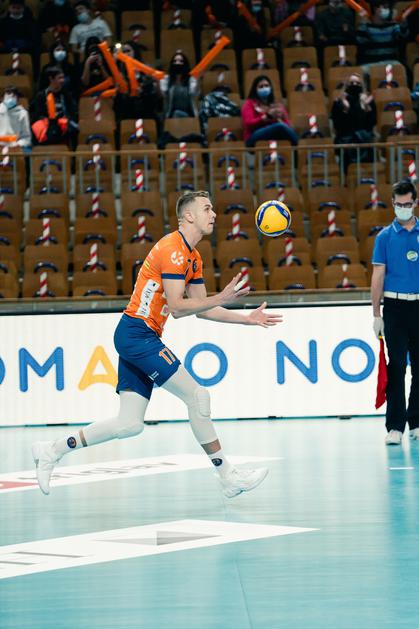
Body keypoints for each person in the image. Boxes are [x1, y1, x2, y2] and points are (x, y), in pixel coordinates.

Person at [32, 190, 282, 497]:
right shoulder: (173, 249)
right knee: (198, 397)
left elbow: (202, 309)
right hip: (138, 334)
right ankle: (227, 476)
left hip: (136, 335)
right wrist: (222, 297)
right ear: (188, 215)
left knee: (129, 424)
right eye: (207, 209)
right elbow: (177, 307)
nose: (214, 214)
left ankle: (52, 450)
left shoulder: (192, 256)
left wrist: (246, 319)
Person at [371, 180, 419, 445]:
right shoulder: (384, 237)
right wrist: (376, 314)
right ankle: (395, 426)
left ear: (415, 203)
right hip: (395, 307)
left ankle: (417, 422)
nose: (403, 208)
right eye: (399, 204)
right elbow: (378, 276)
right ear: (392, 203)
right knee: (397, 366)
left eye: (407, 204)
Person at [331, 72, 376, 171]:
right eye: (351, 83)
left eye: (358, 83)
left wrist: (367, 108)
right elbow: (338, 126)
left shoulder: (367, 101)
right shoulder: (338, 102)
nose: (355, 85)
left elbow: (371, 124)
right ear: (346, 85)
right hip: (346, 140)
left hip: (364, 140)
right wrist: (345, 109)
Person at [113, 41, 163, 124]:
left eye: (128, 51)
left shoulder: (144, 68)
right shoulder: (121, 71)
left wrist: (142, 88)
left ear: (135, 52)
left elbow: (153, 92)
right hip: (128, 108)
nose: (126, 54)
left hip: (145, 106)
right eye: (124, 52)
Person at [242, 75, 298, 146]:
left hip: (274, 135)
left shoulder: (276, 104)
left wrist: (281, 118)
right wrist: (266, 117)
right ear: (255, 89)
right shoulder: (249, 103)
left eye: (266, 85)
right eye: (261, 86)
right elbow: (248, 124)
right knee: (280, 126)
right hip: (253, 136)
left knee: (284, 128)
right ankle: (297, 148)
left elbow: (287, 126)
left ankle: (297, 149)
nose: (264, 88)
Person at [30, 66, 78, 145]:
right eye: (59, 78)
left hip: (63, 124)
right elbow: (37, 114)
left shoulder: (66, 94)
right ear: (51, 79)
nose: (62, 80)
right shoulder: (41, 95)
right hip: (46, 124)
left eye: (63, 78)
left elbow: (72, 111)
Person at [356, 1, 409, 68]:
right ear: (376, 9)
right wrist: (363, 23)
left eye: (387, 8)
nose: (387, 10)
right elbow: (360, 41)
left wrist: (403, 24)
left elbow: (402, 37)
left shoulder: (393, 25)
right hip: (370, 63)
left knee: (400, 69)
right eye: (384, 7)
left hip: (391, 62)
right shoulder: (366, 27)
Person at [160, 51, 198, 118]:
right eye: (175, 61)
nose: (177, 63)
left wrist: (197, 79)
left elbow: (193, 93)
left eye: (181, 61)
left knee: (177, 113)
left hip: (189, 114)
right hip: (171, 115)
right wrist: (159, 81)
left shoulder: (191, 79)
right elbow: (164, 94)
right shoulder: (167, 79)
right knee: (176, 113)